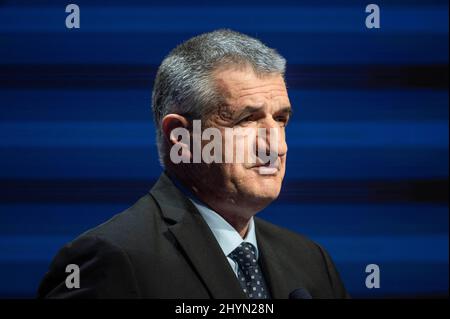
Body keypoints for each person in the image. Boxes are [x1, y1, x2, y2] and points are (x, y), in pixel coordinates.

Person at [37, 29, 349, 299]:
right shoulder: (111, 259)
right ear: (181, 138)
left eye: (281, 120)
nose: (275, 146)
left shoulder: (311, 262)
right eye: (247, 120)